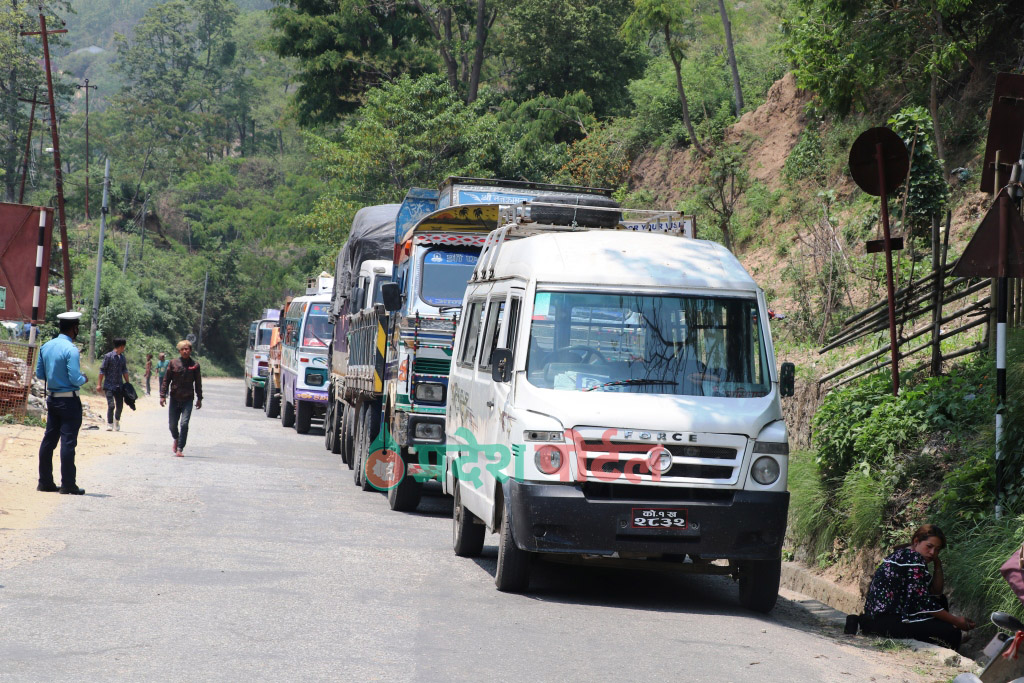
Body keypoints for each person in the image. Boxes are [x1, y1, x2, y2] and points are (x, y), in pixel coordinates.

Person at [855, 524, 975, 649]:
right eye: (929, 547)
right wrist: (956, 621)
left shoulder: (907, 555)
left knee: (941, 601)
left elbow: (935, 591)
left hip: (878, 620)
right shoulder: (912, 558)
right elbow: (923, 602)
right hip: (886, 623)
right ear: (916, 541)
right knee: (951, 632)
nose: (932, 552)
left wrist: (937, 564)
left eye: (937, 550)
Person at [35, 311, 88, 495]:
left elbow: (40, 374)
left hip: (52, 400)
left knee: (49, 440)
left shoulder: (46, 346)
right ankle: (68, 484)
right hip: (69, 401)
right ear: (74, 328)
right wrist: (84, 379)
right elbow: (75, 378)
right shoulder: (71, 349)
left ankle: (45, 482)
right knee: (68, 442)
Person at [160, 340, 202, 457]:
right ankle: (176, 438)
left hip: (188, 399)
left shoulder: (195, 365)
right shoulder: (173, 363)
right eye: (183, 349)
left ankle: (180, 448)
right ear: (179, 351)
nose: (185, 351)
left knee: (184, 424)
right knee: (172, 425)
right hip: (174, 398)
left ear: (190, 350)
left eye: (187, 349)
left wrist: (199, 398)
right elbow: (166, 380)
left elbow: (198, 383)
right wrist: (162, 396)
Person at [97, 338, 130, 432]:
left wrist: (128, 383)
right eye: (124, 347)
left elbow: (124, 370)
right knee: (111, 405)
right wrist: (99, 384)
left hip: (119, 385)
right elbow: (102, 370)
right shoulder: (108, 356)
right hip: (109, 385)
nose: (124, 349)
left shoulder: (122, 358)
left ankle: (117, 421)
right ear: (121, 346)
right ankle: (109, 424)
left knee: (120, 405)